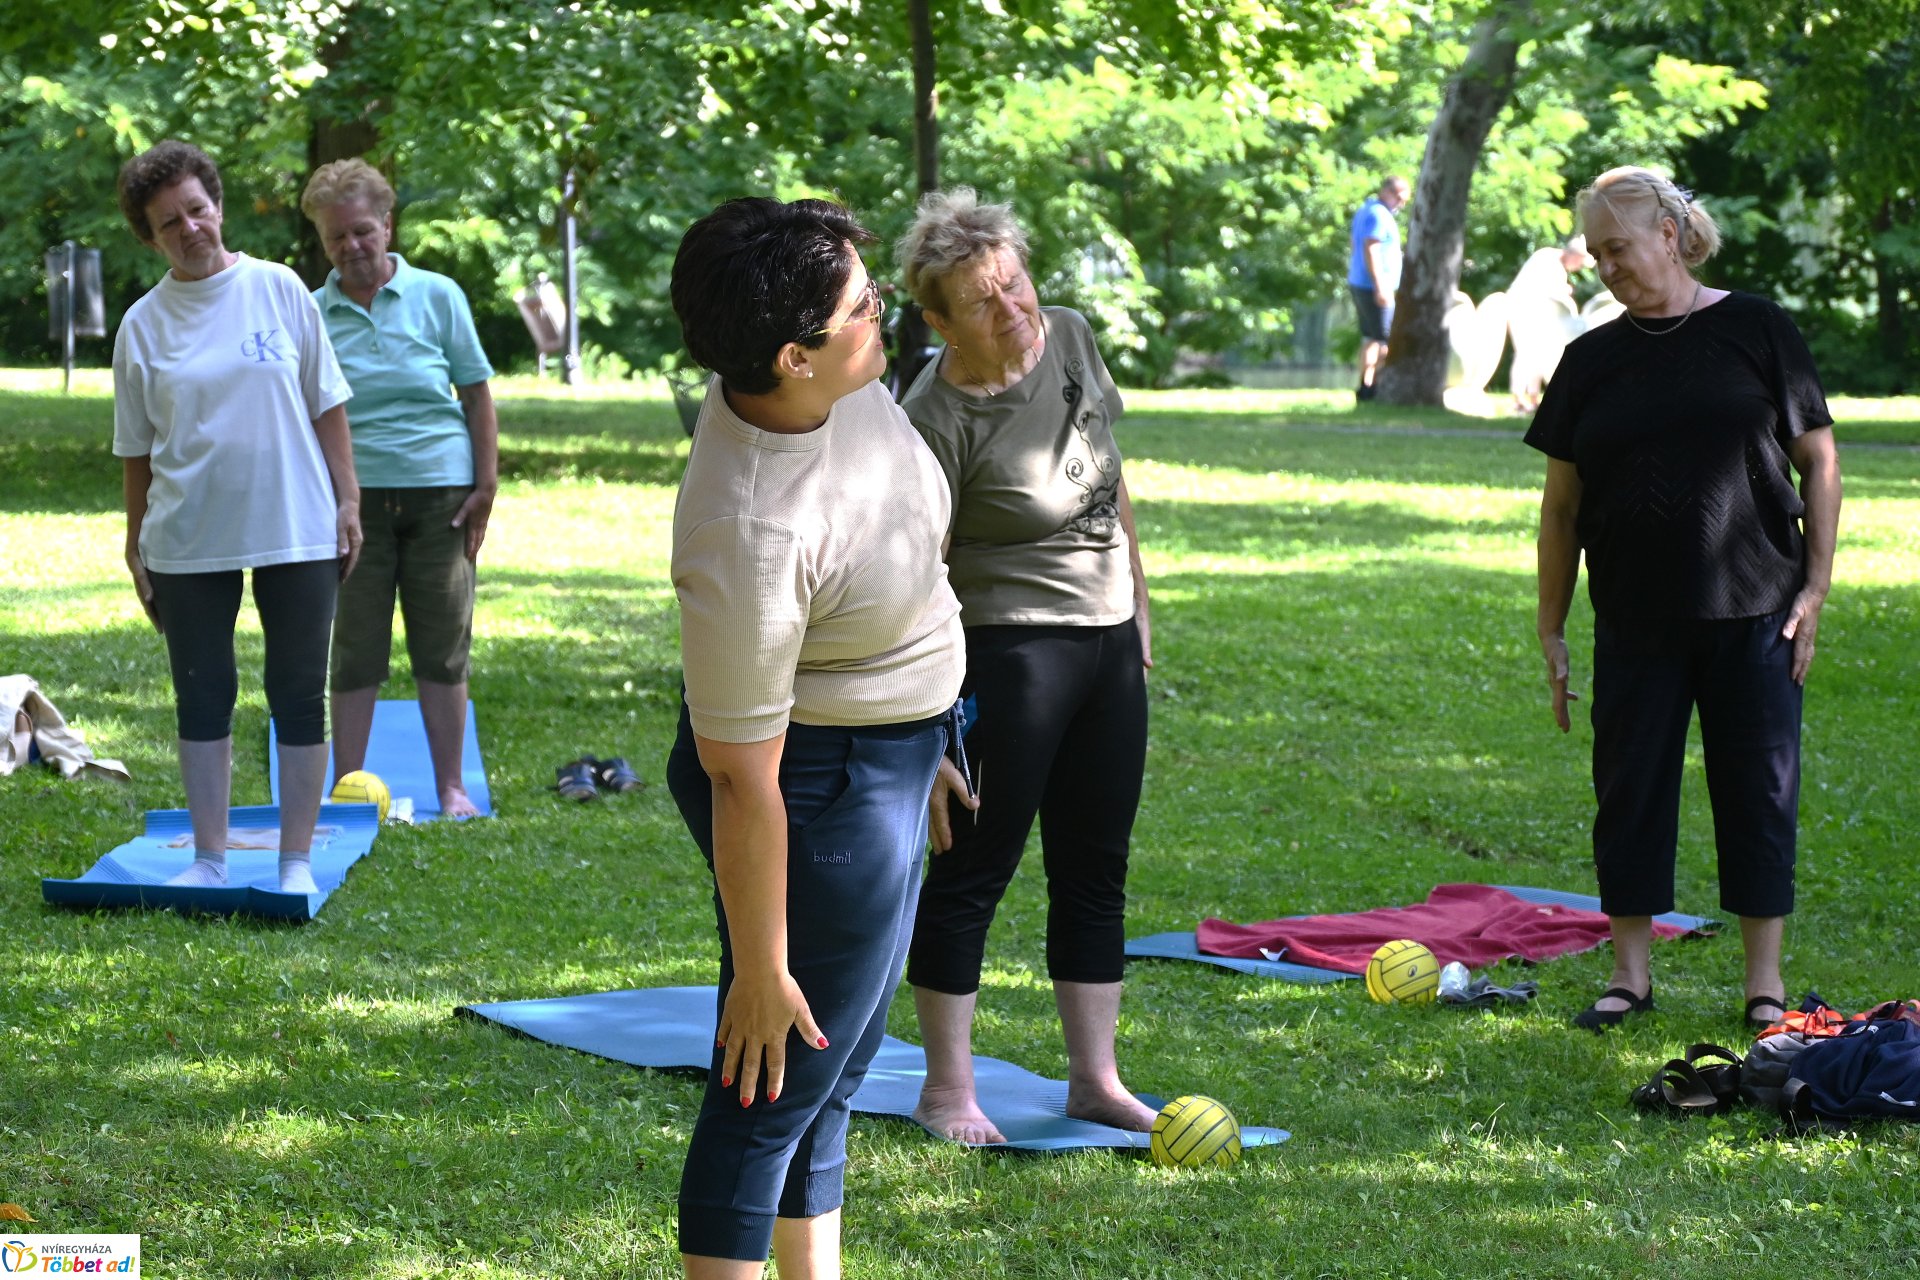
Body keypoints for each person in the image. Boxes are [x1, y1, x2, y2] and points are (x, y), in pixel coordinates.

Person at [664, 197, 965, 1278]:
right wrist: (761, 962)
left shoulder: (832, 384)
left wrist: (926, 740)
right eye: (862, 307)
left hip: (879, 762)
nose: (883, 315)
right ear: (792, 355)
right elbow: (740, 777)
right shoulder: (749, 527)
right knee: (770, 1082)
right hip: (812, 788)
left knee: (829, 1075)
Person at [1527, 166, 1842, 1033]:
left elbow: (1818, 460)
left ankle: (1763, 986)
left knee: (1760, 791)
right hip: (1634, 615)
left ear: (1669, 235)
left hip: (1758, 608)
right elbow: (1561, 507)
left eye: (1618, 247)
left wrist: (1815, 587)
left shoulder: (1757, 328)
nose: (1607, 266)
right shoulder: (1589, 359)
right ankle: (1631, 975)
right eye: (1595, 254)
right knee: (1630, 791)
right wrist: (1551, 626)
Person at [894, 187, 1155, 1143]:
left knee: (1096, 865)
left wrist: (1139, 607)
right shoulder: (931, 418)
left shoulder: (1074, 336)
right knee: (975, 872)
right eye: (983, 302)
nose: (1015, 311)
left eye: (1016, 283)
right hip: (1006, 653)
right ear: (937, 322)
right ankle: (947, 1092)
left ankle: (1096, 1079)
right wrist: (929, 720)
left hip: (1106, 643)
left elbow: (1112, 476)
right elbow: (914, 576)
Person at [111, 140, 361, 894]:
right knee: (204, 690)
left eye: (196, 209)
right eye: (168, 223)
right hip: (188, 534)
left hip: (297, 523)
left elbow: (328, 403)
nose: (189, 229)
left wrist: (348, 500)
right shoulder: (142, 326)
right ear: (150, 238)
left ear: (216, 206)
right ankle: (210, 859)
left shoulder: (280, 288)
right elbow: (136, 451)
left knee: (296, 689)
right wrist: (135, 545)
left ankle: (294, 862)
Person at [300, 159, 498, 820]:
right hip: (351, 503)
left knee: (442, 644)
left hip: (440, 493)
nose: (352, 247)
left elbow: (475, 393)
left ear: (387, 224)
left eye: (361, 230)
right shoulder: (310, 312)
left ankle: (452, 788)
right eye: (336, 238)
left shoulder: (438, 295)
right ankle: (346, 789)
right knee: (356, 644)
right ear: (323, 244)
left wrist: (486, 484)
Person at [1507, 236, 1594, 412]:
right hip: (1522, 310)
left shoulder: (1557, 267)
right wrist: (1565, 292)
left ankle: (1532, 398)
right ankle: (1518, 400)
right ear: (1575, 256)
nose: (1578, 268)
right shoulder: (1547, 258)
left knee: (1538, 354)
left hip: (1536, 315)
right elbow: (1543, 291)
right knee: (1525, 353)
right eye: (1580, 263)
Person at [1349, 174, 1410, 402]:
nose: (1401, 204)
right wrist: (1380, 285)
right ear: (1386, 192)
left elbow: (1354, 243)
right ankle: (1375, 386)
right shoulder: (1378, 214)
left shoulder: (1367, 210)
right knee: (1384, 339)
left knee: (1370, 337)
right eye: (1399, 198)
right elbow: (1370, 247)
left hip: (1360, 282)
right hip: (1374, 286)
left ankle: (1365, 387)